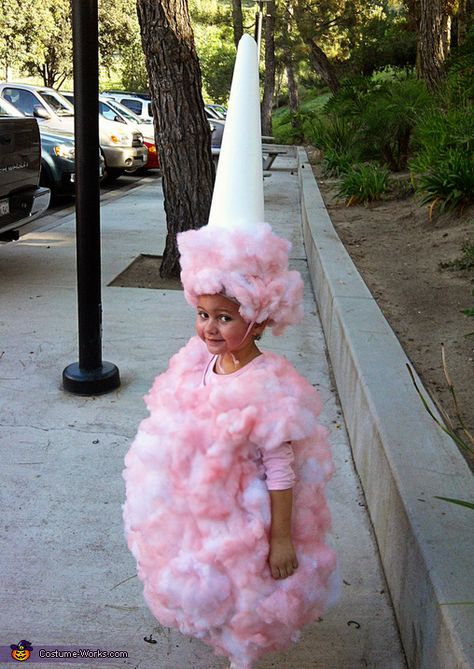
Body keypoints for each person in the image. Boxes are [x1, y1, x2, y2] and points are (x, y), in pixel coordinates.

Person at [122, 34, 338, 669]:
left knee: (246, 597)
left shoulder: (270, 388)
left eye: (225, 317)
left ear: (259, 313)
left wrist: (278, 538)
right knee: (205, 581)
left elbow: (279, 470)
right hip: (205, 512)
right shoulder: (198, 364)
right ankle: (216, 628)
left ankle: (239, 640)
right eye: (203, 314)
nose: (211, 328)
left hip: (248, 522)